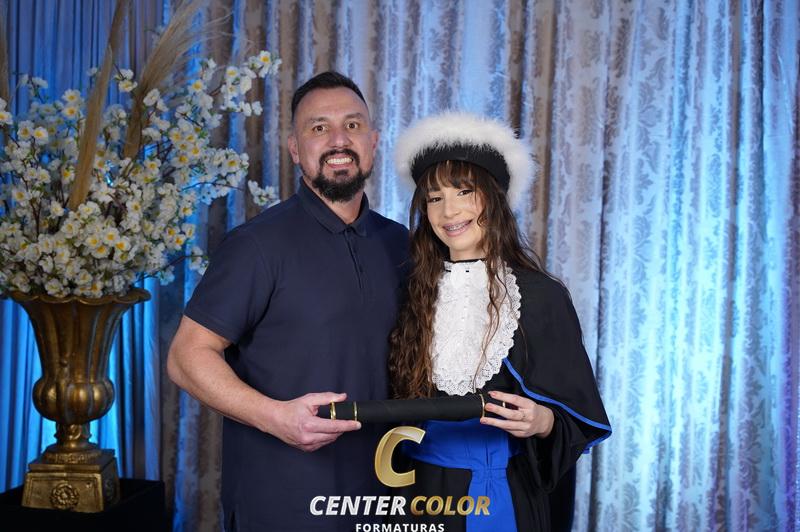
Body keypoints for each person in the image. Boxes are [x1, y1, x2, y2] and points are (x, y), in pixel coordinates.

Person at [166, 71, 409, 531]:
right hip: (284, 501)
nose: (339, 140)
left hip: (385, 498)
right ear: (295, 149)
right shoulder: (256, 246)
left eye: (352, 125)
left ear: (374, 141)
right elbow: (186, 356)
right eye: (319, 127)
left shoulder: (402, 244)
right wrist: (276, 417)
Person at [389, 112, 611, 531]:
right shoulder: (411, 292)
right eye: (434, 198)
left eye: (464, 191)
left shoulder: (540, 296)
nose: (449, 210)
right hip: (415, 489)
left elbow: (578, 416)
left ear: (493, 198)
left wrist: (543, 421)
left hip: (500, 495)